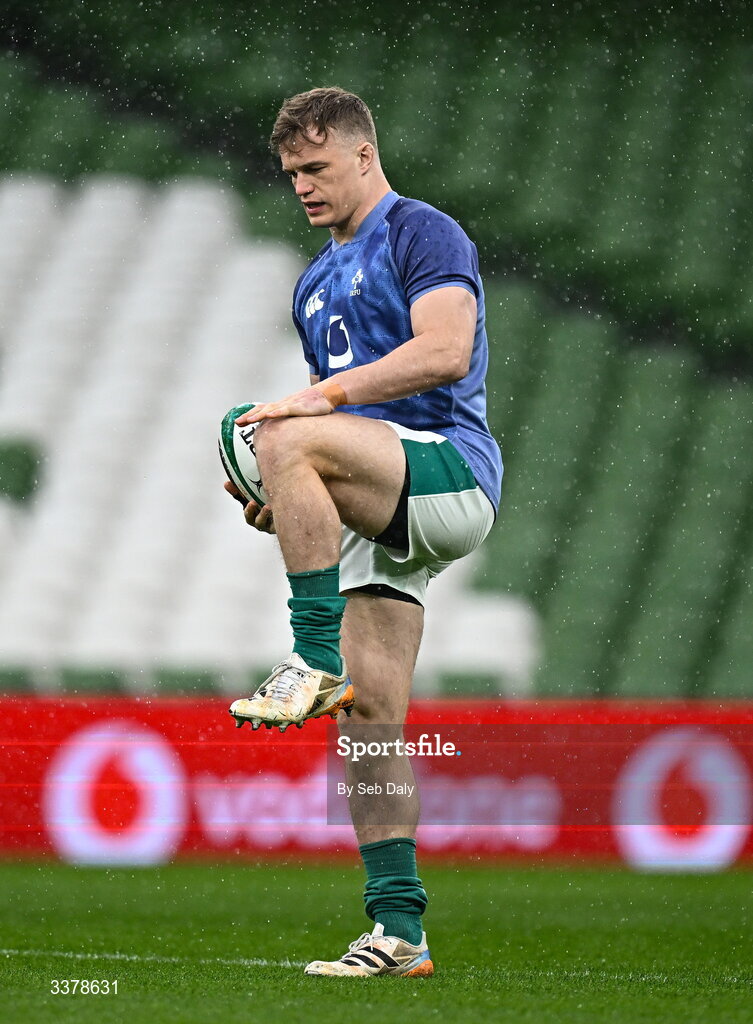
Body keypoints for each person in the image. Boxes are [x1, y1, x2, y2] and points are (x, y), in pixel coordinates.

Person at [224, 86, 502, 978]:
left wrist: (308, 418)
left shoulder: (423, 231)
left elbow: (444, 351)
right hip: (382, 500)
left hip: (448, 470)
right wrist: (285, 492)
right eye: (289, 173)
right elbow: (322, 450)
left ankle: (307, 655)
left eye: (314, 166)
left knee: (280, 429)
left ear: (361, 155)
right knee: (373, 726)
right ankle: (399, 932)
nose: (301, 185)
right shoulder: (310, 283)